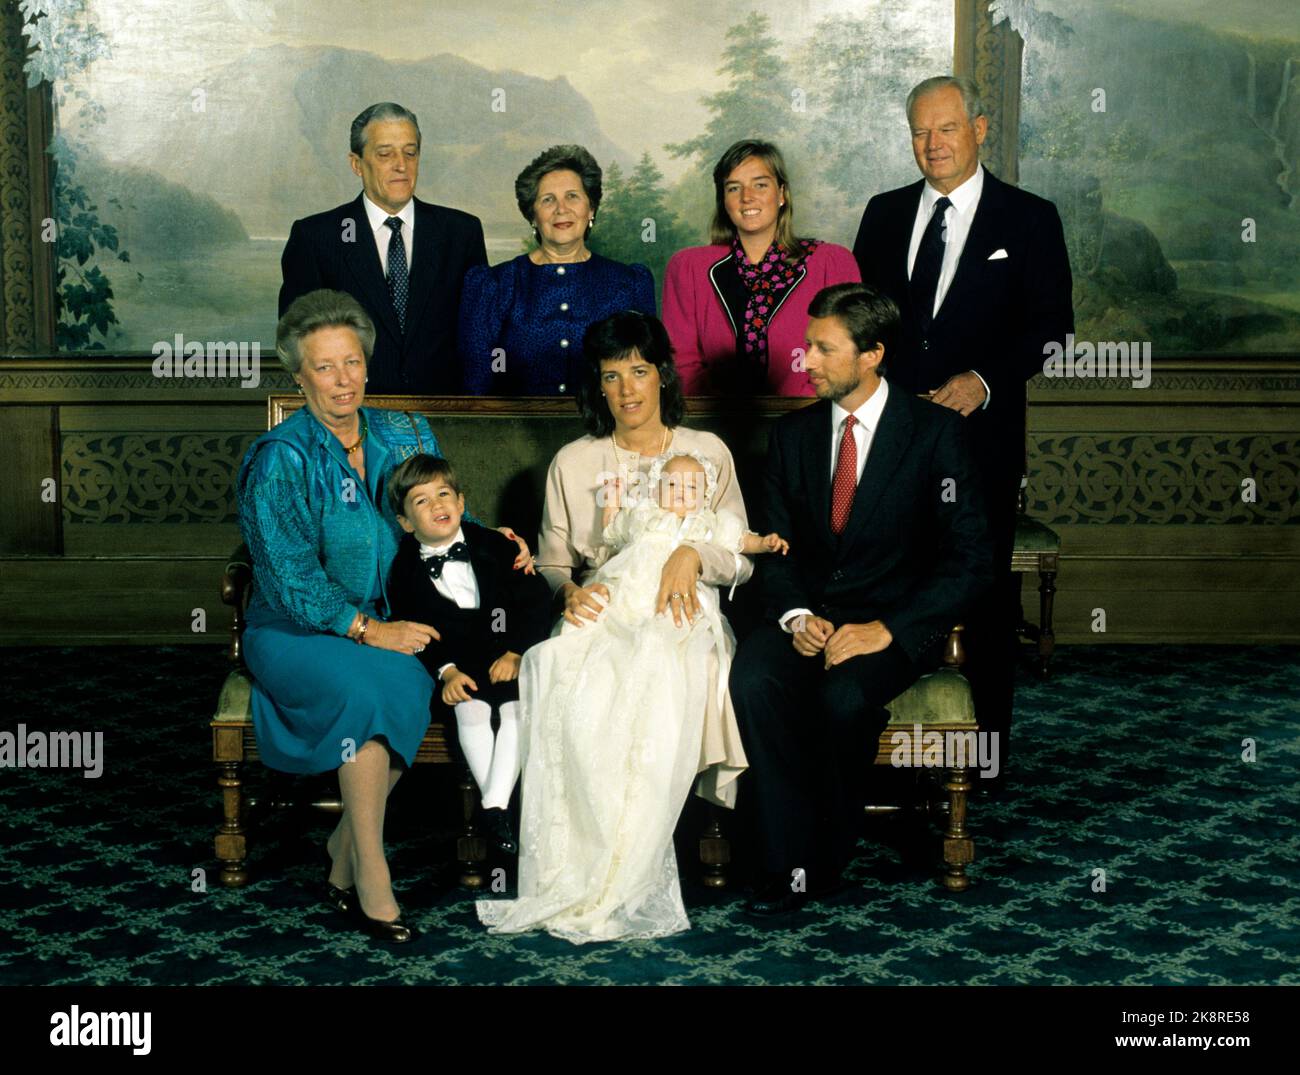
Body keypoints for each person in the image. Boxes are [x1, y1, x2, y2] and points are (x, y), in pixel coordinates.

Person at [237, 289, 529, 944]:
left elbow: (442, 512)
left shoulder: (407, 430)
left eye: (352, 362)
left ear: (367, 365)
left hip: (401, 621)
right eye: (324, 366)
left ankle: (342, 849)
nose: (343, 379)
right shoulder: (279, 459)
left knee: (406, 681)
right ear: (299, 375)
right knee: (373, 687)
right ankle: (371, 871)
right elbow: (288, 577)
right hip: (301, 631)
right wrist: (370, 630)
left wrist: (493, 540)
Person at [475, 310, 755, 942]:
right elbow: (552, 560)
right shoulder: (576, 462)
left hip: (683, 607)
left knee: (663, 680)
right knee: (563, 671)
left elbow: (739, 551)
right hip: (605, 602)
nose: (628, 389)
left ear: (662, 375)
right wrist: (568, 590)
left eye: (639, 371)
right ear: (596, 388)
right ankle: (577, 866)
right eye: (611, 376)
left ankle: (633, 862)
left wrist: (694, 556)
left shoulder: (707, 452)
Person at [730, 283, 994, 917]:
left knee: (843, 697)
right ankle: (784, 859)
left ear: (872, 354)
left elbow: (972, 559)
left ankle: (820, 857)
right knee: (752, 678)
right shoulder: (792, 436)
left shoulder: (935, 435)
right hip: (805, 617)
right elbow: (775, 547)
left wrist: (889, 630)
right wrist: (796, 617)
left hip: (890, 627)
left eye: (823, 349)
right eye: (806, 346)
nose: (806, 361)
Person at [851, 75, 1074, 780]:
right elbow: (861, 324)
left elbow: (1053, 328)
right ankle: (884, 744)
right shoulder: (883, 214)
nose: (933, 144)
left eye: (947, 128)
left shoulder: (1031, 218)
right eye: (920, 132)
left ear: (980, 128)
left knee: (978, 592)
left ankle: (983, 758)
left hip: (981, 443)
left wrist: (983, 381)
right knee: (887, 580)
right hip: (892, 442)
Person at [385, 453, 552, 855]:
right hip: (460, 666)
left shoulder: (497, 544)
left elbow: (537, 600)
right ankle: (498, 811)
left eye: (444, 494)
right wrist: (446, 672)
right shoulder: (403, 571)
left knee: (516, 711)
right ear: (406, 523)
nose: (437, 505)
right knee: (469, 709)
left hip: (507, 658)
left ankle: (492, 806)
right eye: (421, 501)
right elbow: (415, 631)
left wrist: (517, 651)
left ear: (461, 502)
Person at [279, 102, 488, 394]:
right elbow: (298, 339)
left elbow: (479, 335)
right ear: (356, 164)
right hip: (352, 416)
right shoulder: (316, 238)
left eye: (410, 153)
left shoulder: (461, 233)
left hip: (445, 417)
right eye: (385, 154)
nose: (401, 165)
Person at [662, 139, 860, 396]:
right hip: (715, 422)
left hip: (811, 419)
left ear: (781, 194)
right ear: (723, 200)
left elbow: (846, 357)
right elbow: (682, 364)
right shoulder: (688, 268)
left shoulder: (831, 263)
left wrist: (802, 416)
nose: (747, 197)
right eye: (734, 188)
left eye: (760, 185)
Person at [458, 144, 656, 395]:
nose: (561, 209)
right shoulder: (494, 285)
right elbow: (476, 386)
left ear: (591, 208)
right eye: (548, 200)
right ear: (532, 215)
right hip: (513, 432)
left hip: (607, 432)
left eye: (572, 196)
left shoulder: (630, 283)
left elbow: (646, 380)